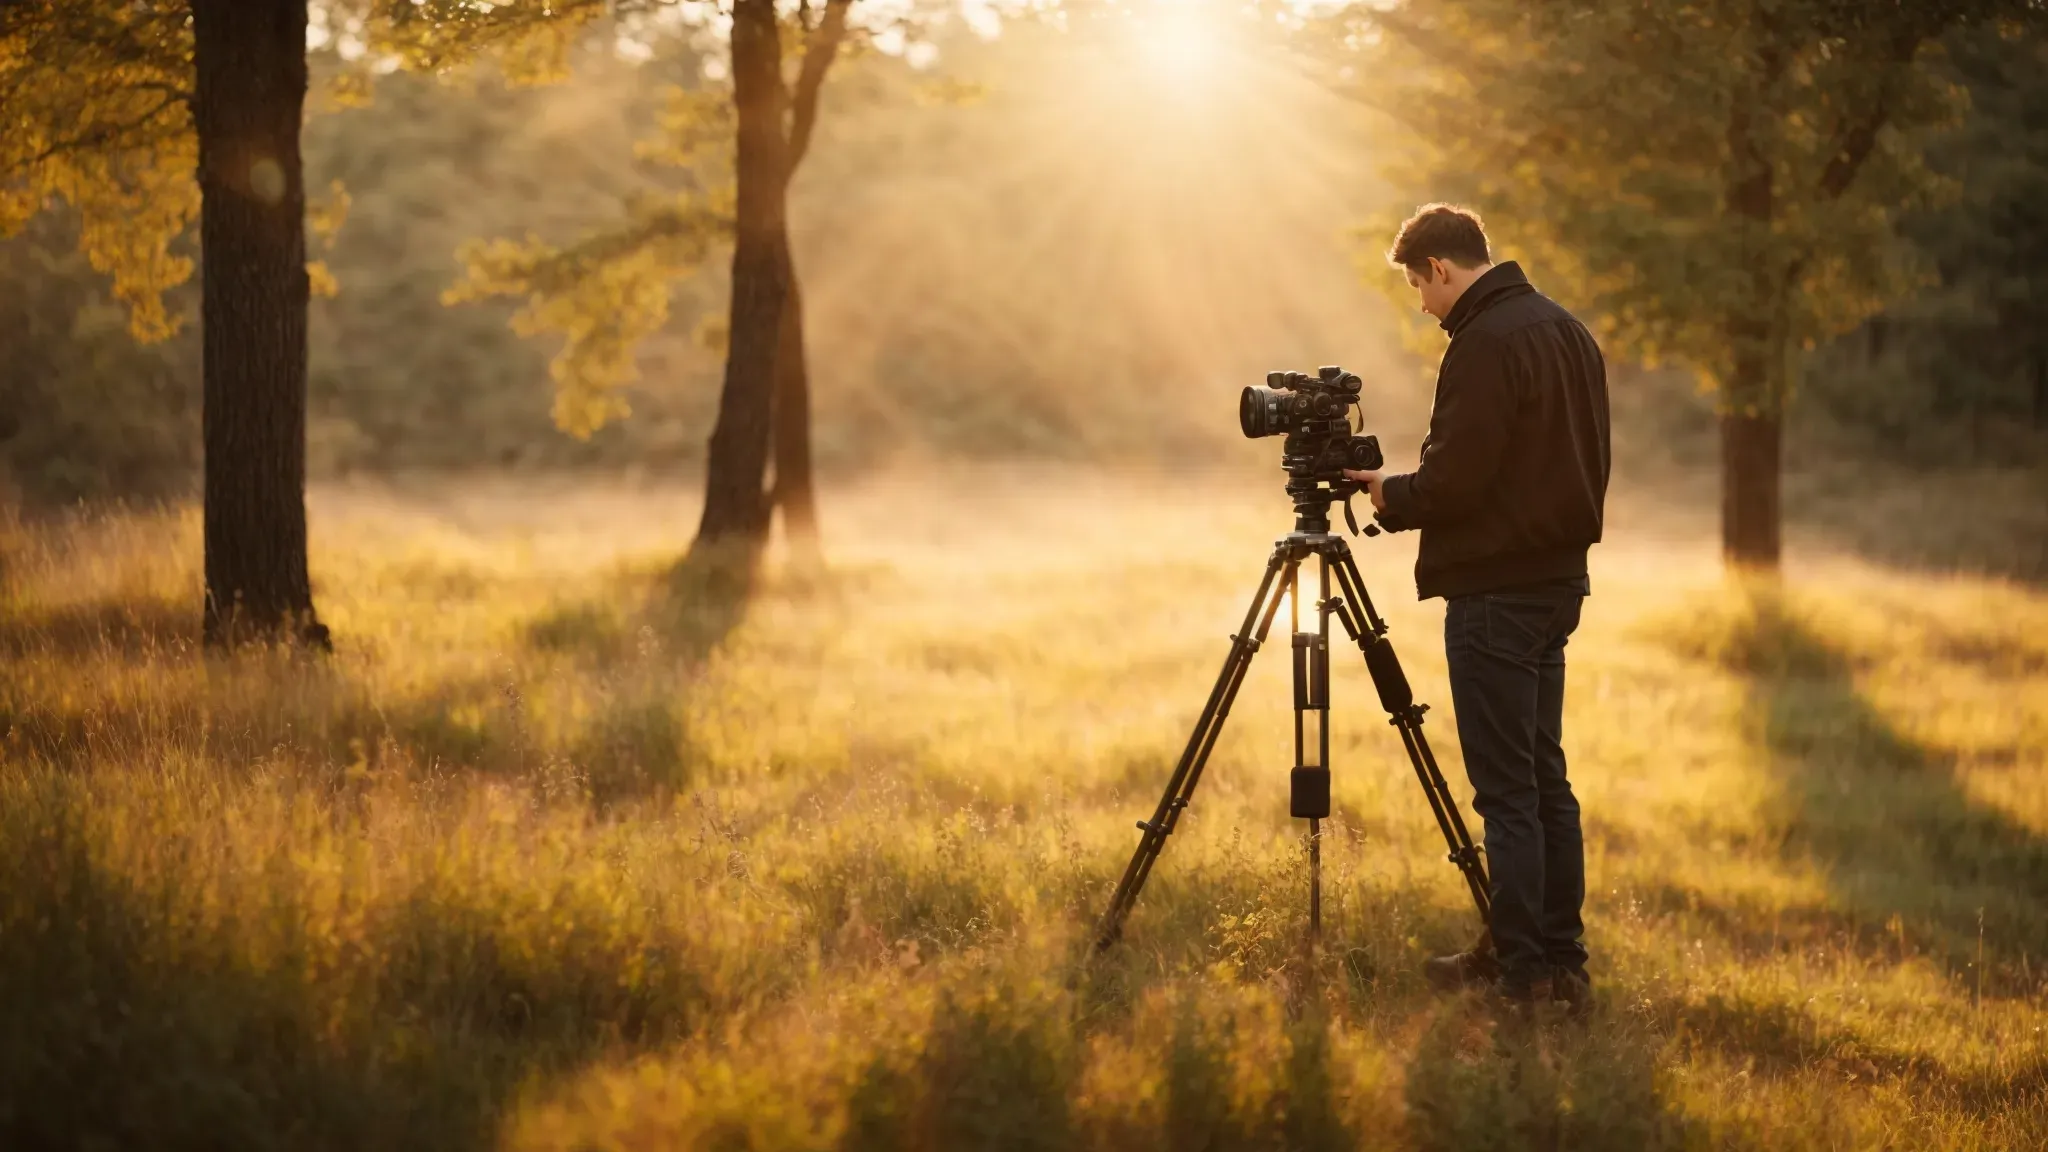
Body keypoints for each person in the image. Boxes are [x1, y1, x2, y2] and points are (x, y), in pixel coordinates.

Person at [1342, 203, 1610, 1014]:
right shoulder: (1567, 330)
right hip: (1557, 582)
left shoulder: (1485, 343)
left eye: (1419, 288)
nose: (1422, 305)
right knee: (1543, 779)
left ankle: (1522, 977)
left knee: (1508, 794)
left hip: (1497, 593)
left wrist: (1391, 493)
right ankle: (1562, 964)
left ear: (1442, 270)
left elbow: (1460, 480)